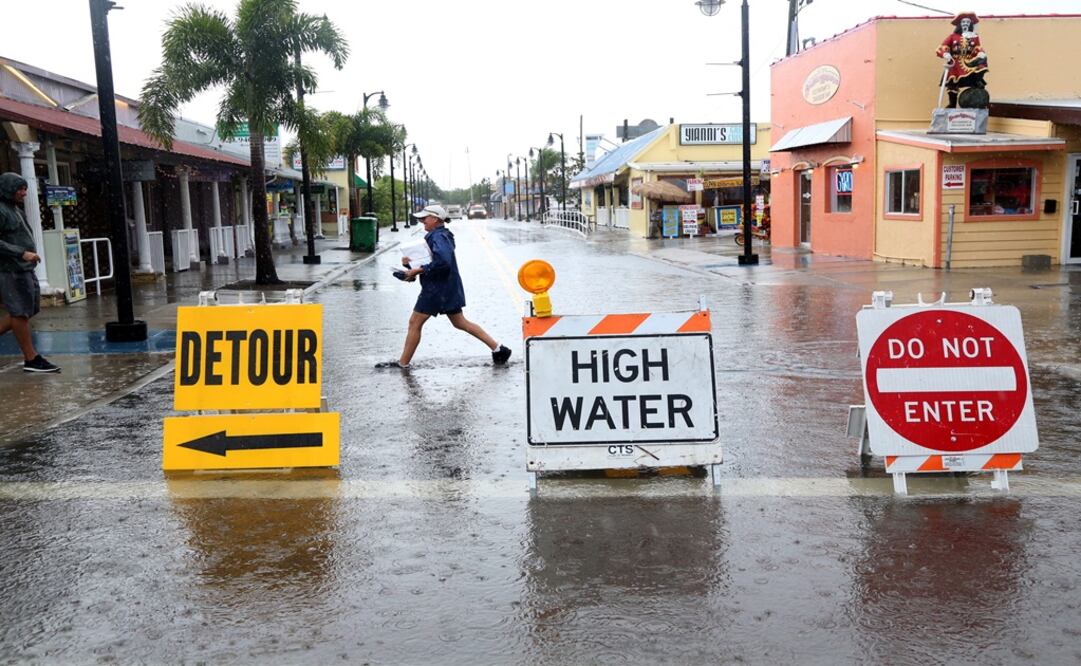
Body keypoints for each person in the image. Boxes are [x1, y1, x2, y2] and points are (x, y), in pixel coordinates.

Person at [376, 204, 511, 369]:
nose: (422, 221)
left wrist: (417, 270)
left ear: (436, 219)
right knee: (460, 323)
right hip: (447, 287)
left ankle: (403, 363)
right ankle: (499, 349)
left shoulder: (438, 237)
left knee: (415, 323)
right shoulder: (438, 235)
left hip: (437, 289)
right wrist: (409, 268)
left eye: (425, 218)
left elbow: (443, 263)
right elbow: (431, 263)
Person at [0, 173, 60, 373]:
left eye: (25, 189)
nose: (24, 193)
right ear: (8, 188)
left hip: (24, 269)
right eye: (20, 189)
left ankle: (31, 358)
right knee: (20, 312)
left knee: (29, 308)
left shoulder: (14, 209)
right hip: (11, 269)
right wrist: (21, 253)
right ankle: (31, 358)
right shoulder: (1, 210)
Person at [936, 12, 989, 108]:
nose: (965, 24)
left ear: (970, 24)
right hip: (955, 63)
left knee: (982, 61)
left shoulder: (975, 37)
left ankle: (978, 92)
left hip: (969, 61)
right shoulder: (952, 36)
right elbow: (941, 47)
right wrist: (946, 54)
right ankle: (952, 104)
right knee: (952, 84)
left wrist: (980, 52)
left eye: (967, 22)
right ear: (960, 24)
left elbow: (977, 48)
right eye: (963, 22)